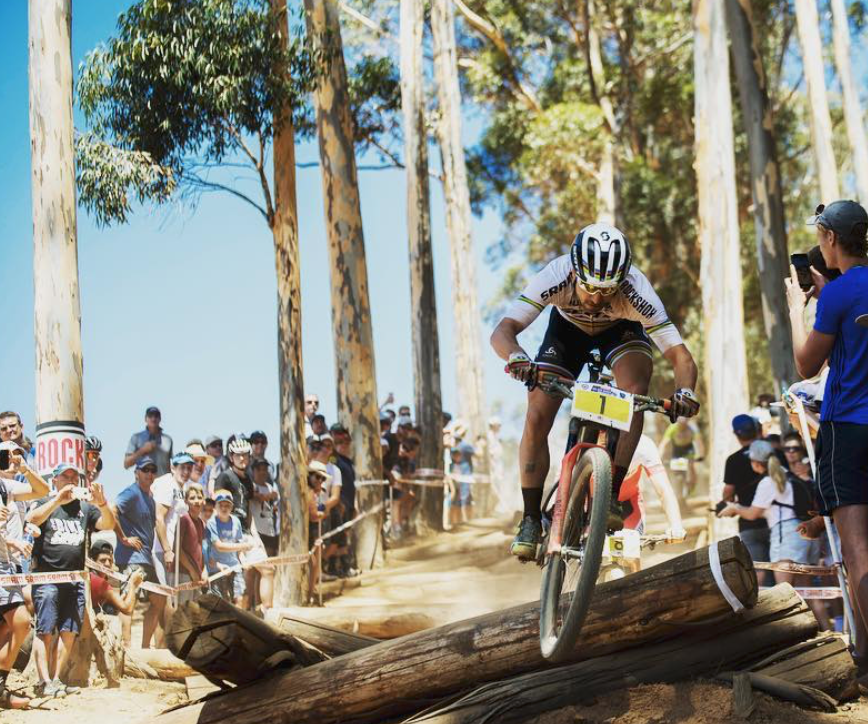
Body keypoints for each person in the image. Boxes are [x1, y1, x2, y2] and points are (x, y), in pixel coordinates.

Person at [490, 222, 700, 559]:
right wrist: (517, 358)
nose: (597, 298)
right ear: (574, 272)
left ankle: (611, 495)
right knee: (538, 412)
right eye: (590, 288)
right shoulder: (555, 275)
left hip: (621, 332)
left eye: (608, 290)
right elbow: (504, 330)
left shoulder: (636, 291)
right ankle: (530, 518)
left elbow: (680, 355)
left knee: (634, 394)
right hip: (566, 333)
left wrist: (685, 392)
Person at [785, 198, 868, 668]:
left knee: (858, 555)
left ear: (831, 239)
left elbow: (805, 363)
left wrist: (800, 309)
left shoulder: (837, 295)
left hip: (848, 429)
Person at [26, 464, 115, 698]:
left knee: (68, 630)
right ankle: (43, 681)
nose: (71, 480)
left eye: (75, 476)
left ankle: (55, 679)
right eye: (66, 476)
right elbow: (32, 519)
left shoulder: (85, 508)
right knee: (44, 629)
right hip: (46, 577)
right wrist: (57, 501)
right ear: (55, 479)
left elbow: (108, 525)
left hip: (75, 579)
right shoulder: (45, 502)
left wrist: (102, 502)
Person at [719, 440, 827, 627]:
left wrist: (735, 508)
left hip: (787, 536)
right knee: (807, 591)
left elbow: (753, 514)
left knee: (783, 593)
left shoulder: (768, 482)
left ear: (756, 463)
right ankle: (827, 630)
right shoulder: (789, 475)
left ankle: (793, 633)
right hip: (806, 534)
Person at [0, 443, 49, 710]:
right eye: (4, 454)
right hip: (4, 567)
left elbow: (43, 490)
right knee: (20, 621)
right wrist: (10, 541)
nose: (8, 458)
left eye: (13, 453)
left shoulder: (6, 487)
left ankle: (0, 688)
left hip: (11, 568)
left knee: (10, 627)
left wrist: (25, 467)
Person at [113, 457, 164, 648]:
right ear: (137, 473)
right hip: (130, 558)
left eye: (152, 470)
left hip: (146, 558)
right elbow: (113, 509)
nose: (149, 474)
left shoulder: (150, 498)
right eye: (145, 470)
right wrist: (123, 538)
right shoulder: (131, 493)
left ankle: (143, 647)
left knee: (159, 599)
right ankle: (125, 649)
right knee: (128, 601)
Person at [719, 414, 769, 569]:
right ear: (756, 429)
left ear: (736, 434)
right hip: (777, 522)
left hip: (749, 523)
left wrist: (731, 506)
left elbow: (728, 493)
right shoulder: (774, 453)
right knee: (784, 568)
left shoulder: (733, 460)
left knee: (758, 569)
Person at [152, 452, 194, 589]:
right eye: (182, 467)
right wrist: (167, 551)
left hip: (179, 551)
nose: (186, 472)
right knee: (166, 598)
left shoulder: (185, 487)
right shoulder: (167, 484)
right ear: (173, 468)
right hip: (164, 550)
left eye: (189, 468)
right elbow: (159, 518)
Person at [206, 491, 252, 606]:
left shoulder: (236, 522)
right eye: (220, 505)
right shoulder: (212, 523)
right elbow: (219, 546)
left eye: (227, 505)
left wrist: (243, 560)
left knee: (239, 598)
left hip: (235, 567)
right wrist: (243, 546)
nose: (224, 508)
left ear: (231, 507)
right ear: (215, 507)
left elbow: (238, 546)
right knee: (222, 602)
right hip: (217, 568)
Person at [88, 542, 145, 616]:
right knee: (110, 609)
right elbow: (127, 609)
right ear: (92, 561)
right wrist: (133, 585)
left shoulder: (92, 576)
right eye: (103, 560)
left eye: (110, 560)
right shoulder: (99, 581)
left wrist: (127, 588)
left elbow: (117, 605)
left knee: (111, 607)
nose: (107, 564)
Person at [658, 417, 704, 497]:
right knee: (676, 471)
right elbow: (664, 443)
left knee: (691, 466)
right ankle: (678, 491)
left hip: (689, 450)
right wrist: (659, 456)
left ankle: (691, 484)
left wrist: (701, 454)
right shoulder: (672, 427)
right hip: (677, 450)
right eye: (680, 424)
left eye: (684, 424)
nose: (682, 426)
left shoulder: (692, 427)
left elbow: (699, 441)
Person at [215, 439, 254, 533]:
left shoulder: (248, 480)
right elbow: (216, 506)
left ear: (249, 456)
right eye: (238, 455)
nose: (242, 458)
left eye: (244, 454)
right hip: (227, 529)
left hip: (244, 530)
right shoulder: (225, 477)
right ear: (231, 457)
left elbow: (249, 510)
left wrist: (254, 534)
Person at [176, 484, 206, 605]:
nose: (196, 501)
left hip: (197, 574)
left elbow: (201, 549)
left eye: (199, 497)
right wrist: (192, 570)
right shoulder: (184, 520)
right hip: (184, 573)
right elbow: (177, 549)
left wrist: (204, 571)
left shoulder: (201, 523)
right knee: (184, 611)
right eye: (192, 498)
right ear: (186, 501)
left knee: (195, 611)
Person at [306, 463, 331, 604]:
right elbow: (313, 515)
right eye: (317, 477)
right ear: (309, 476)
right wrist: (321, 514)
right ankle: (309, 593)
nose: (320, 481)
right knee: (313, 562)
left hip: (316, 529)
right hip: (309, 530)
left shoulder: (318, 493)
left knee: (316, 561)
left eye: (323, 478)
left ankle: (311, 591)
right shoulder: (308, 492)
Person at [124, 406, 173, 475]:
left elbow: (169, 465)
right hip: (144, 483)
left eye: (156, 416)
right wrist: (142, 451)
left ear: (160, 419)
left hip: (162, 483)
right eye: (150, 416)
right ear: (145, 419)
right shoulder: (136, 438)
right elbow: (126, 464)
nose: (153, 419)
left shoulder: (168, 440)